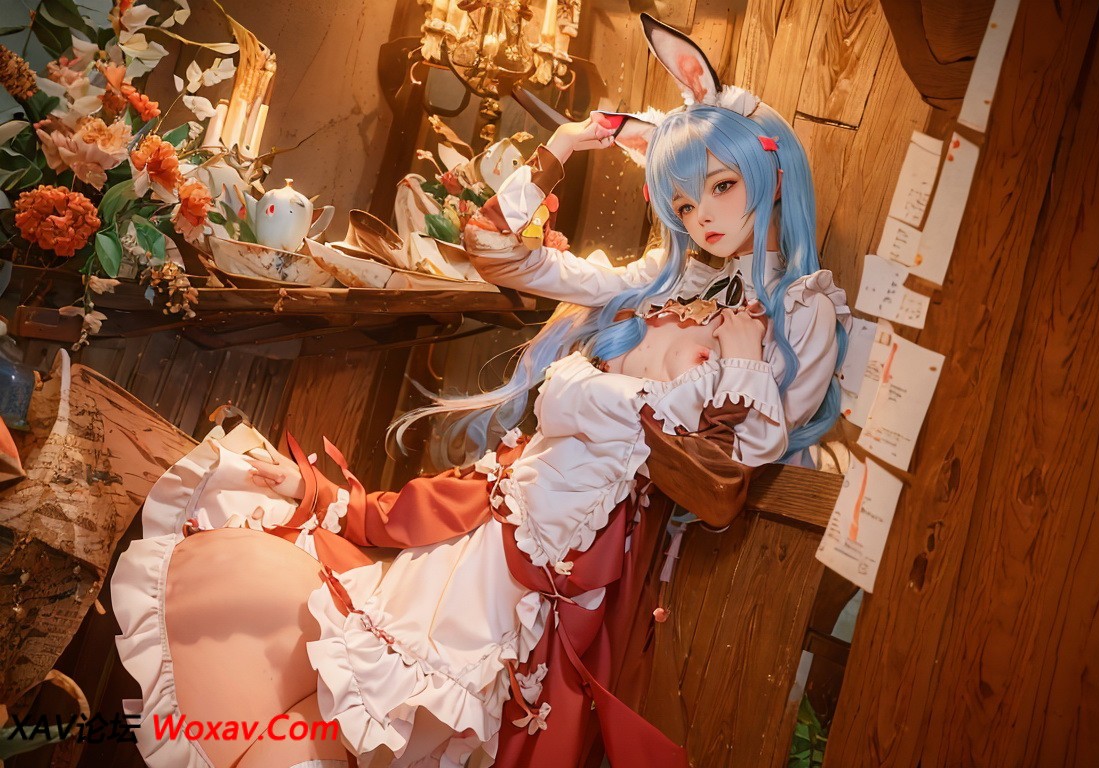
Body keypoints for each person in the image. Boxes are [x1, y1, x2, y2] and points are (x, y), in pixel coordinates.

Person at [110, 13, 850, 768]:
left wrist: (704, 369)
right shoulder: (658, 285)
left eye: (721, 187)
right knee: (359, 689)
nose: (703, 217)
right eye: (685, 203)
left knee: (416, 725)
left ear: (771, 171)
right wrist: (565, 147)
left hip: (584, 557)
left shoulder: (798, 311)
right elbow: (497, 251)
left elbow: (736, 460)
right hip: (509, 513)